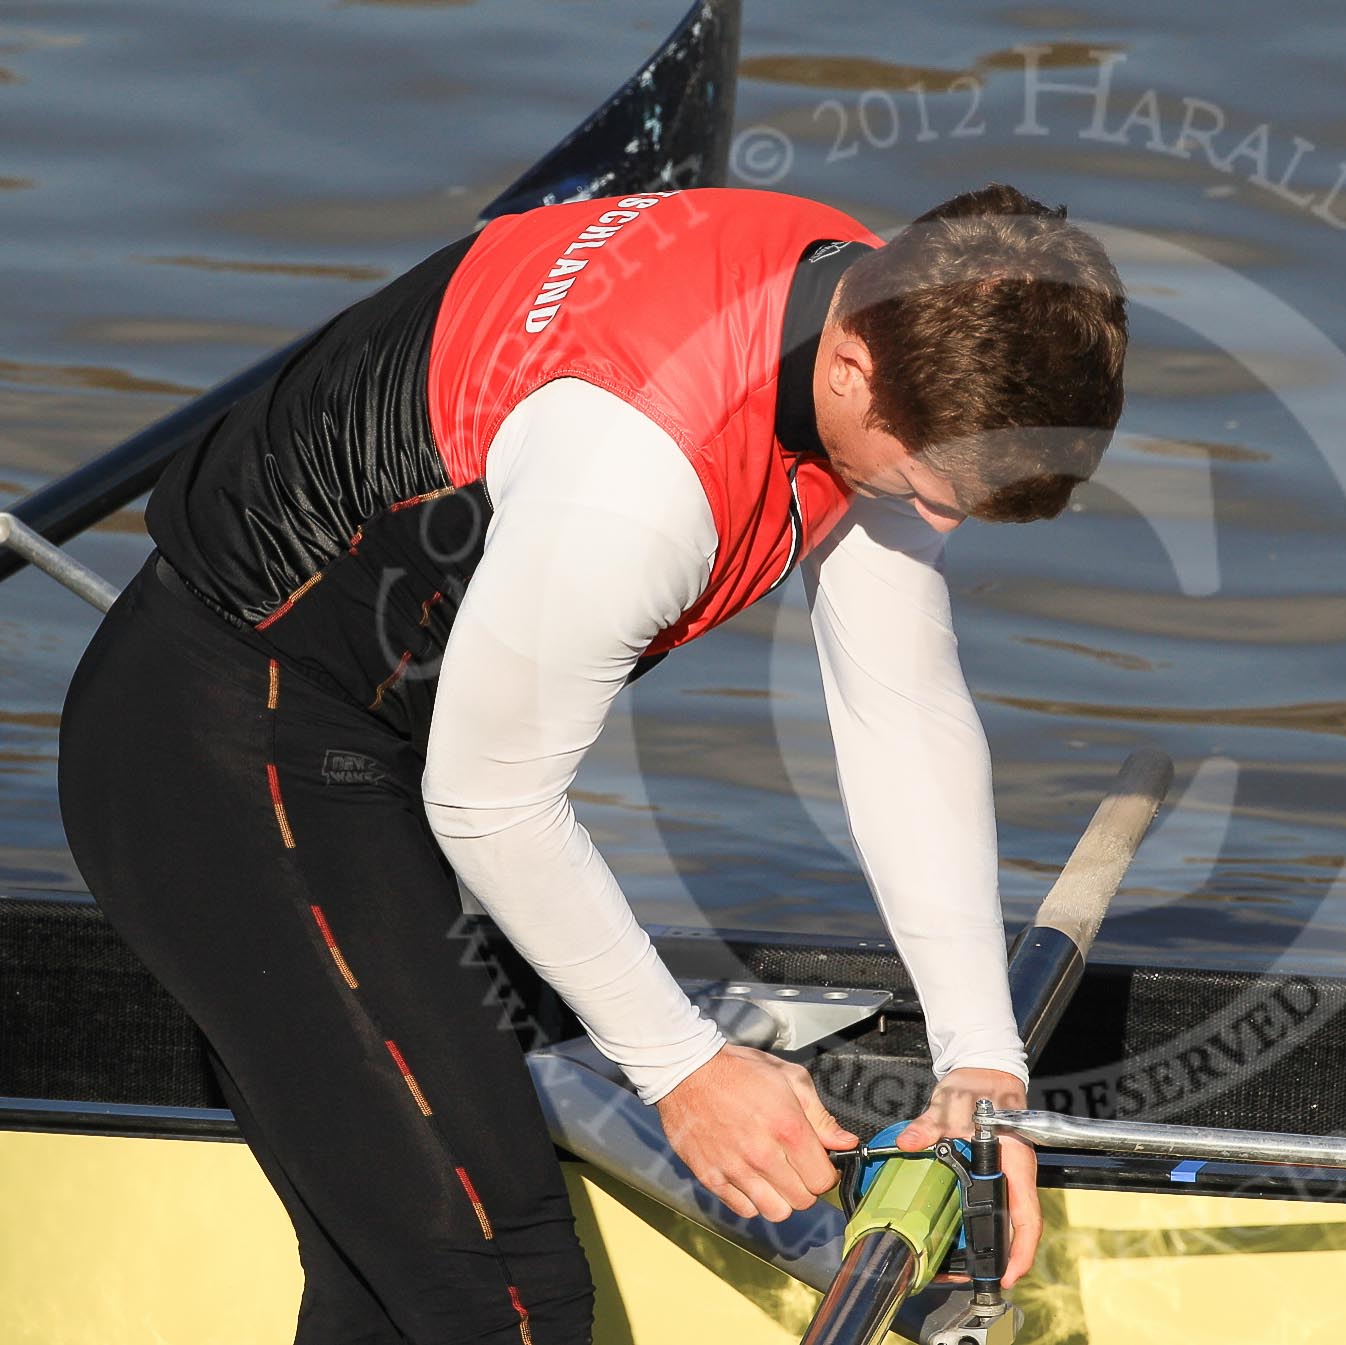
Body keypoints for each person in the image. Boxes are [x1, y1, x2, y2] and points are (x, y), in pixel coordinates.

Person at [57, 182, 1127, 1344]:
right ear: (853, 371)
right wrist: (686, 1073)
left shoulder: (881, 295)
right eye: (930, 491)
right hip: (224, 751)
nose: (940, 523)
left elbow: (900, 709)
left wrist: (980, 1066)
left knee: (389, 1290)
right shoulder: (639, 480)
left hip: (366, 745)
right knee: (503, 1287)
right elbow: (493, 804)